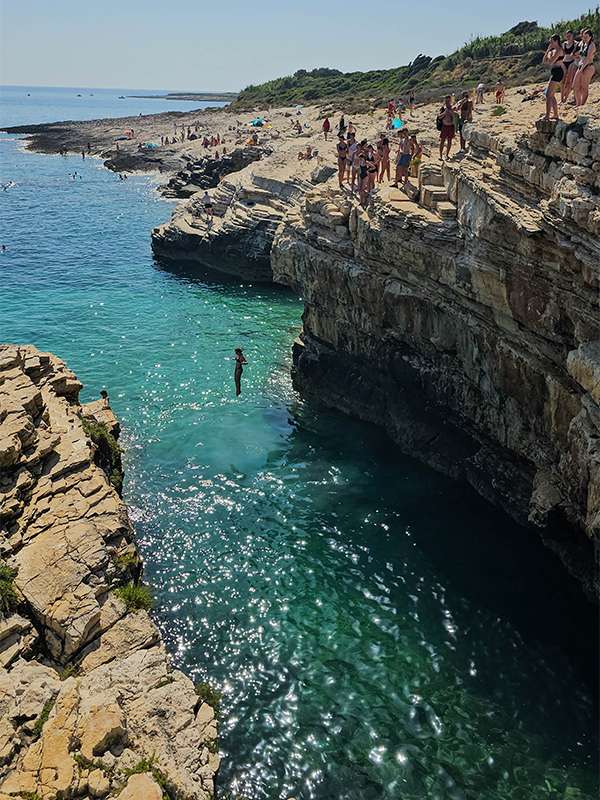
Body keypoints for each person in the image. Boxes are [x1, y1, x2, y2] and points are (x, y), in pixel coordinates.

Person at [543, 35, 565, 120]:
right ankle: (555, 114)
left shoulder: (559, 50)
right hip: (554, 72)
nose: (550, 43)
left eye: (551, 41)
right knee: (551, 95)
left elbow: (551, 61)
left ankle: (547, 115)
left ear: (556, 41)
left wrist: (549, 57)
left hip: (558, 72)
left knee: (548, 95)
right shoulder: (553, 50)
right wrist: (548, 50)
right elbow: (544, 61)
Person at [573, 29, 596, 108]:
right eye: (583, 36)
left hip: (588, 67)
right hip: (581, 66)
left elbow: (588, 58)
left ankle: (582, 105)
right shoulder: (582, 44)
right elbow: (579, 54)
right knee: (575, 85)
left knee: (584, 87)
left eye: (586, 36)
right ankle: (578, 104)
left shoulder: (592, 45)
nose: (585, 38)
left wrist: (581, 69)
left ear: (590, 37)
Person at [560, 30, 578, 103]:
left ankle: (567, 98)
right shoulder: (564, 44)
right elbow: (562, 54)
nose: (568, 37)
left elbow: (575, 54)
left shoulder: (576, 43)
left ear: (572, 36)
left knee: (570, 80)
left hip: (572, 62)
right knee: (563, 81)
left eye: (569, 36)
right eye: (567, 36)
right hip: (564, 62)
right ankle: (562, 98)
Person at [437, 95, 455, 160]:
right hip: (444, 126)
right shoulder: (443, 108)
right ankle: (440, 155)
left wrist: (451, 112)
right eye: (446, 100)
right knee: (442, 141)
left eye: (449, 100)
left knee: (449, 141)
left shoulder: (452, 108)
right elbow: (439, 117)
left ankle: (447, 154)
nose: (447, 102)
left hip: (451, 126)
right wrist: (445, 113)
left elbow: (455, 118)